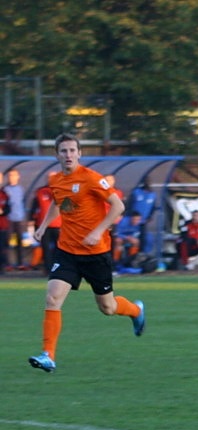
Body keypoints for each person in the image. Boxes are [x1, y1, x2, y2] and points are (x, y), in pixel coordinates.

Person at [28, 133, 146, 374]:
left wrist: (98, 230)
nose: (68, 155)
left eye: (72, 150)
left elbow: (118, 206)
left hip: (96, 253)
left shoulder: (92, 179)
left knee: (107, 307)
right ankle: (48, 355)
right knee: (52, 297)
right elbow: (58, 203)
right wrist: (42, 226)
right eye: (64, 151)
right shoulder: (56, 180)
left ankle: (136, 310)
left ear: (79, 153)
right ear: (57, 155)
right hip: (67, 251)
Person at [30, 185, 62, 273]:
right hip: (45, 225)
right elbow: (35, 207)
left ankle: (59, 268)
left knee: (60, 248)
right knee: (46, 248)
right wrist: (34, 221)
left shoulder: (62, 190)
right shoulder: (40, 192)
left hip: (58, 225)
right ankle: (48, 268)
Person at [4, 169, 27, 269]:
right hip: (9, 218)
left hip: (19, 218)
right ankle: (8, 263)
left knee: (20, 242)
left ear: (18, 177)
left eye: (13, 175)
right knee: (7, 242)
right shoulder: (5, 190)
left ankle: (21, 263)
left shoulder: (21, 189)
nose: (11, 177)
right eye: (10, 175)